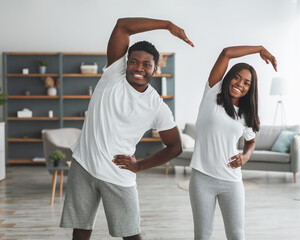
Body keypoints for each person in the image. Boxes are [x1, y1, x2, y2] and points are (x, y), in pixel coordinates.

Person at [60, 17, 194, 240]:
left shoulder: (157, 106)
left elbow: (175, 147)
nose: (138, 67)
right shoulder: (114, 73)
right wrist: (167, 25)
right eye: (134, 61)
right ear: (126, 62)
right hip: (83, 165)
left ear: (155, 69)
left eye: (146, 64)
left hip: (118, 174)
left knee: (131, 235)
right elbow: (122, 25)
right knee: (80, 231)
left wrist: (139, 166)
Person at [189, 45, 277, 240]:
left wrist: (245, 156)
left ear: (250, 89)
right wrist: (260, 49)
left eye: (247, 83)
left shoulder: (247, 115)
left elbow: (250, 142)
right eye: (237, 77)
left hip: (232, 181)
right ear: (229, 77)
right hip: (202, 179)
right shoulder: (212, 93)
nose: (240, 84)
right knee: (202, 235)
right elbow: (226, 53)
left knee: (237, 235)